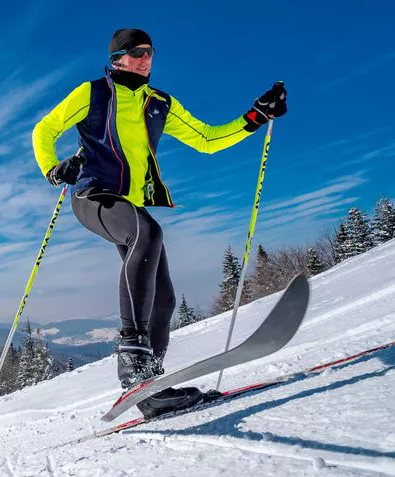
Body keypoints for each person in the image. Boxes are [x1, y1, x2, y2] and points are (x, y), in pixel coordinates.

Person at [32, 28, 287, 418]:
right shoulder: (93, 93)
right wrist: (53, 169)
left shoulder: (159, 103)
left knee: (164, 297)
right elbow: (44, 130)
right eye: (137, 51)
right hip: (93, 197)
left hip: (129, 205)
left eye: (150, 51)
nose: (146, 58)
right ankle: (132, 357)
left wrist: (255, 117)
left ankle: (149, 386)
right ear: (118, 57)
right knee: (146, 232)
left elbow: (207, 138)